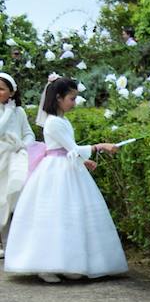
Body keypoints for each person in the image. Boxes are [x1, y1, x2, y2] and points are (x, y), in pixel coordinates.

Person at [3, 77, 125, 282]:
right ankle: (46, 265)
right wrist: (100, 146)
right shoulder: (53, 123)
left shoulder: (62, 121)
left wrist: (83, 161)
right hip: (55, 172)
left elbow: (68, 149)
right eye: (71, 98)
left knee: (70, 218)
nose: (74, 103)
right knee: (53, 216)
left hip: (66, 168)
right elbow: (73, 149)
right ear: (58, 98)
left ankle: (70, 262)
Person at [0, 72, 37, 257]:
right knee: (1, 202)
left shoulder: (19, 111)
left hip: (16, 159)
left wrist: (24, 144)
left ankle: (11, 245)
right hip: (0, 160)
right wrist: (6, 112)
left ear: (12, 92)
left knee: (15, 200)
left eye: (1, 89)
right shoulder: (7, 112)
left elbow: (28, 133)